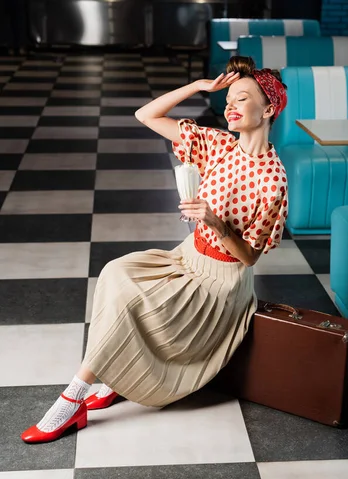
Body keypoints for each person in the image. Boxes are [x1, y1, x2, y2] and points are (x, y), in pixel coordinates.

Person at [21, 56, 289, 444]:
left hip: (220, 284)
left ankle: (70, 400)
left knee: (133, 302)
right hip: (187, 257)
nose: (229, 106)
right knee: (117, 274)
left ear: (269, 108)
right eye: (227, 98)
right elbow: (145, 114)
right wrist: (199, 87)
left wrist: (215, 222)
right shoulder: (217, 145)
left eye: (241, 98)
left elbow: (249, 257)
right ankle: (114, 375)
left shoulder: (273, 179)